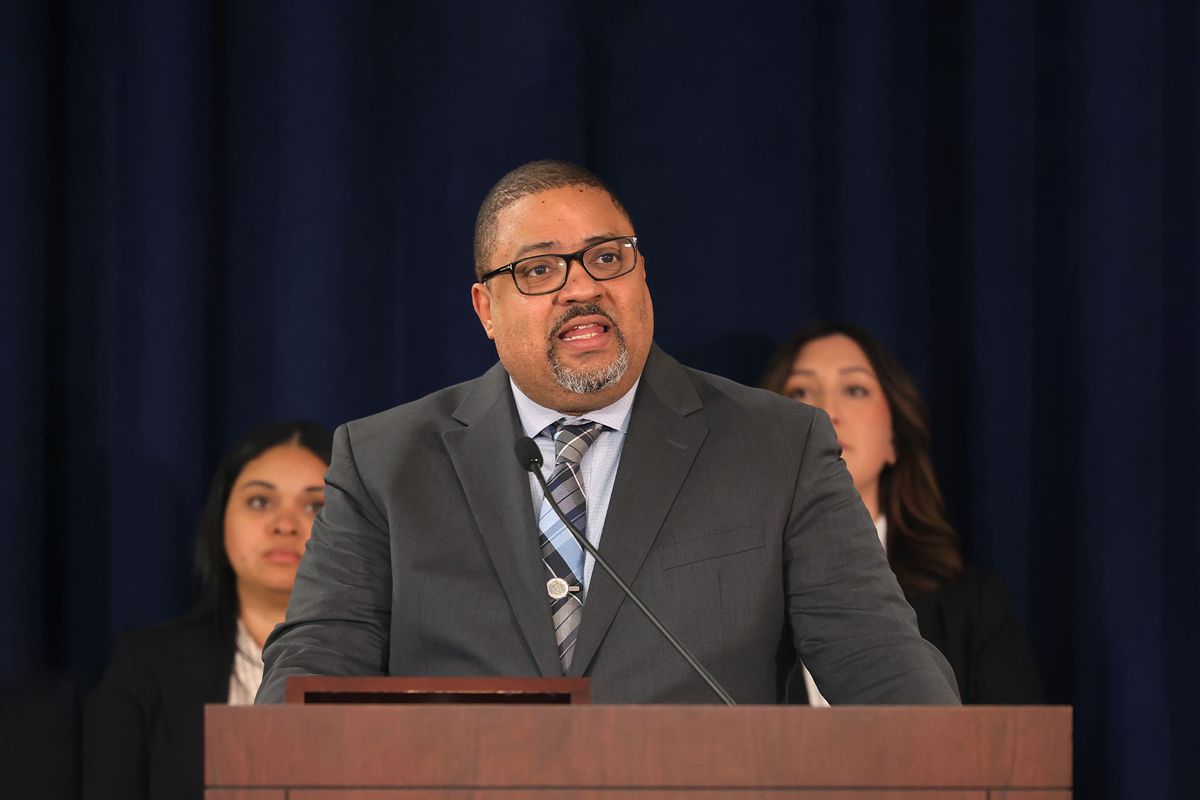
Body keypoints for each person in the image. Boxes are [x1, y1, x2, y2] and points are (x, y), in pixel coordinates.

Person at [257, 160, 960, 706]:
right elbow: (313, 677)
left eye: (606, 257)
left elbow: (881, 664)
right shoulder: (384, 462)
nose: (581, 287)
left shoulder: (778, 447)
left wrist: (959, 762)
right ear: (485, 309)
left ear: (641, 274)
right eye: (538, 269)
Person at [760, 323, 1043, 704]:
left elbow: (1013, 758)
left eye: (855, 389)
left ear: (894, 439)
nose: (826, 413)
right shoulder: (734, 604)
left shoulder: (972, 606)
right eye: (800, 392)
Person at [84, 420, 333, 800]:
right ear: (220, 520)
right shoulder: (144, 665)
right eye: (260, 501)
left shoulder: (397, 666)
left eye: (316, 505)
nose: (285, 525)